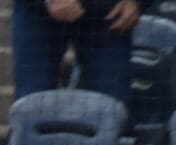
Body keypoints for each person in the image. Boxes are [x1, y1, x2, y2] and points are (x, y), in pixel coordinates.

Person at [12, 0, 140, 105]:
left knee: (111, 104)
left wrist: (137, 1)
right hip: (37, 13)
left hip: (108, 14)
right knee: (32, 103)